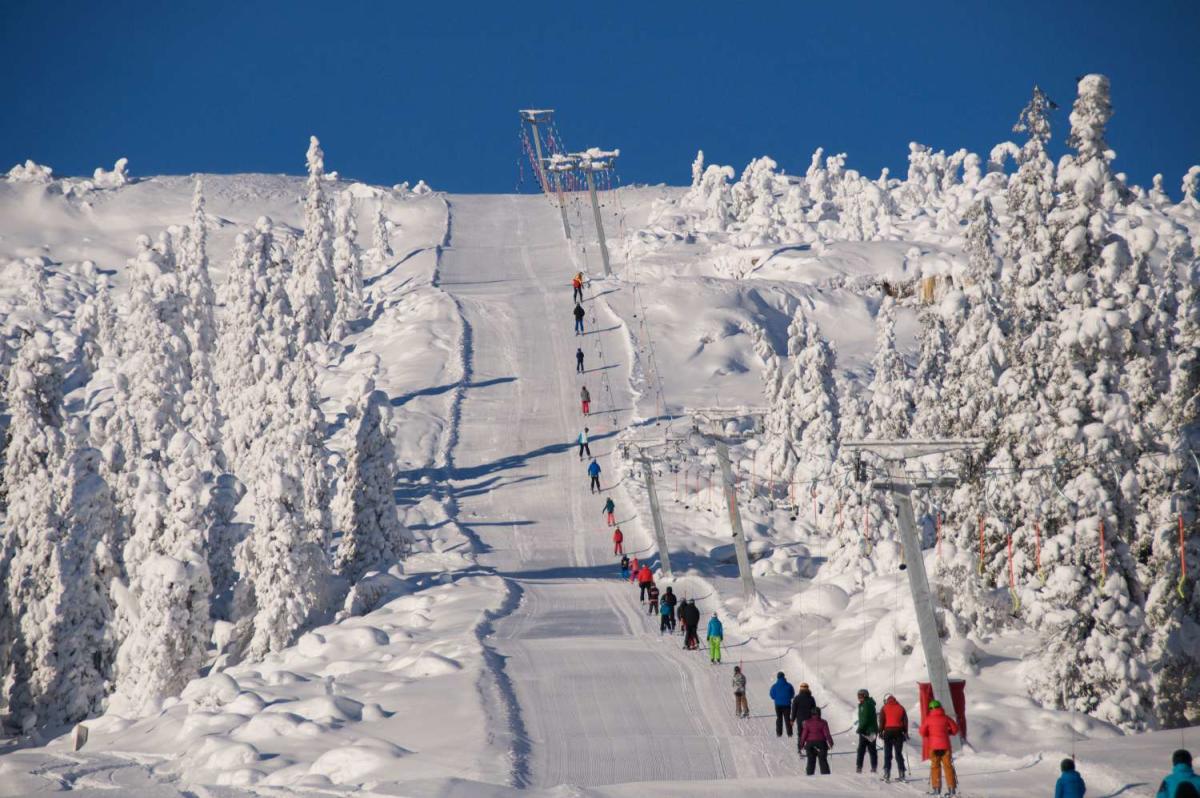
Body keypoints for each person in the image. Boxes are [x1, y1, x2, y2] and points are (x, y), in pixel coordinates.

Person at [919, 700, 959, 796]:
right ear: (940, 707)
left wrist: (929, 734)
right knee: (948, 767)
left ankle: (936, 790)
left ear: (930, 709)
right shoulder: (946, 718)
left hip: (933, 747)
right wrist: (948, 732)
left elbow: (922, 732)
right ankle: (951, 790)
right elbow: (955, 729)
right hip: (945, 747)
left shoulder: (928, 719)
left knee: (935, 767)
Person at [878, 693, 909, 783]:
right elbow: (905, 721)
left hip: (888, 732)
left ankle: (887, 774)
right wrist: (905, 732)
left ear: (887, 700)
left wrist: (880, 731)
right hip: (898, 732)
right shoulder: (901, 708)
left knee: (888, 754)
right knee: (898, 754)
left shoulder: (884, 708)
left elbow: (881, 720)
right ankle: (902, 773)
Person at [799, 707, 834, 775]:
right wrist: (830, 743)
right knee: (823, 760)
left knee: (811, 761)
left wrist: (801, 744)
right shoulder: (823, 722)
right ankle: (826, 776)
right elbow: (827, 734)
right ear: (819, 713)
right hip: (821, 744)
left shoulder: (807, 722)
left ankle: (809, 775)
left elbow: (804, 735)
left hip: (810, 744)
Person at [855, 688, 879, 774]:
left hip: (869, 731)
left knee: (867, 749)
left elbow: (866, 718)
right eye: (858, 696)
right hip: (867, 730)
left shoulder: (867, 704)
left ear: (865, 696)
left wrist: (860, 728)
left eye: (860, 696)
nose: (859, 698)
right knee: (865, 749)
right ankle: (870, 767)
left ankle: (862, 767)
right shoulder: (864, 704)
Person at [790, 682, 817, 752]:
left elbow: (794, 710)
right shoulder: (811, 698)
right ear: (808, 689)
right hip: (809, 720)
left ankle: (799, 748)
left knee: (800, 734)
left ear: (800, 689)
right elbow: (814, 710)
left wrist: (792, 720)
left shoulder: (796, 698)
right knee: (809, 733)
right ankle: (809, 748)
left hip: (800, 720)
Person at [770, 672, 796, 737]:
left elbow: (772, 695)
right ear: (784, 677)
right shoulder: (789, 685)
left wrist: (777, 698)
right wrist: (788, 698)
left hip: (778, 705)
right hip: (787, 704)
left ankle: (779, 733)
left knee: (779, 718)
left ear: (777, 677)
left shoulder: (774, 686)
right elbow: (792, 694)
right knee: (787, 719)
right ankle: (789, 733)